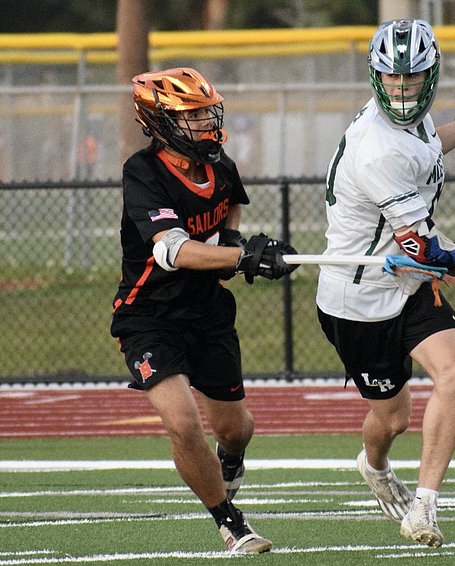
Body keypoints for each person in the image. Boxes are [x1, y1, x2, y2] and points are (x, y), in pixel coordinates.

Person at [316, 19, 455, 549]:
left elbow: (428, 146)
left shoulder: (411, 123)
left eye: (412, 78)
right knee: (392, 419)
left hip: (406, 283)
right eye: (392, 78)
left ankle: (425, 506)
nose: (403, 89)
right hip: (360, 297)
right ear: (376, 76)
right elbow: (425, 251)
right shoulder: (377, 148)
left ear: (430, 76)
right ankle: (375, 466)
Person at [110, 67, 296, 554]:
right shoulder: (143, 172)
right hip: (149, 316)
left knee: (236, 430)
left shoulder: (220, 165)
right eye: (192, 116)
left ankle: (230, 460)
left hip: (208, 313)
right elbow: (172, 250)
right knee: (182, 421)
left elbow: (230, 204)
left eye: (207, 113)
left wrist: (234, 241)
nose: (205, 123)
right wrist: (241, 257)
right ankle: (231, 523)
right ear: (160, 121)